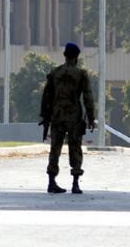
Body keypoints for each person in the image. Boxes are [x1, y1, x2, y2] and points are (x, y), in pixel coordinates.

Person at [40, 42, 95, 194]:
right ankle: (75, 183)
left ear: (64, 55)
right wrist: (91, 117)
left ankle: (51, 182)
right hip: (74, 116)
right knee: (75, 148)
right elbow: (88, 97)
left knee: (55, 149)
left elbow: (46, 97)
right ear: (76, 57)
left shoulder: (55, 73)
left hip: (57, 116)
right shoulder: (81, 74)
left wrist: (45, 116)